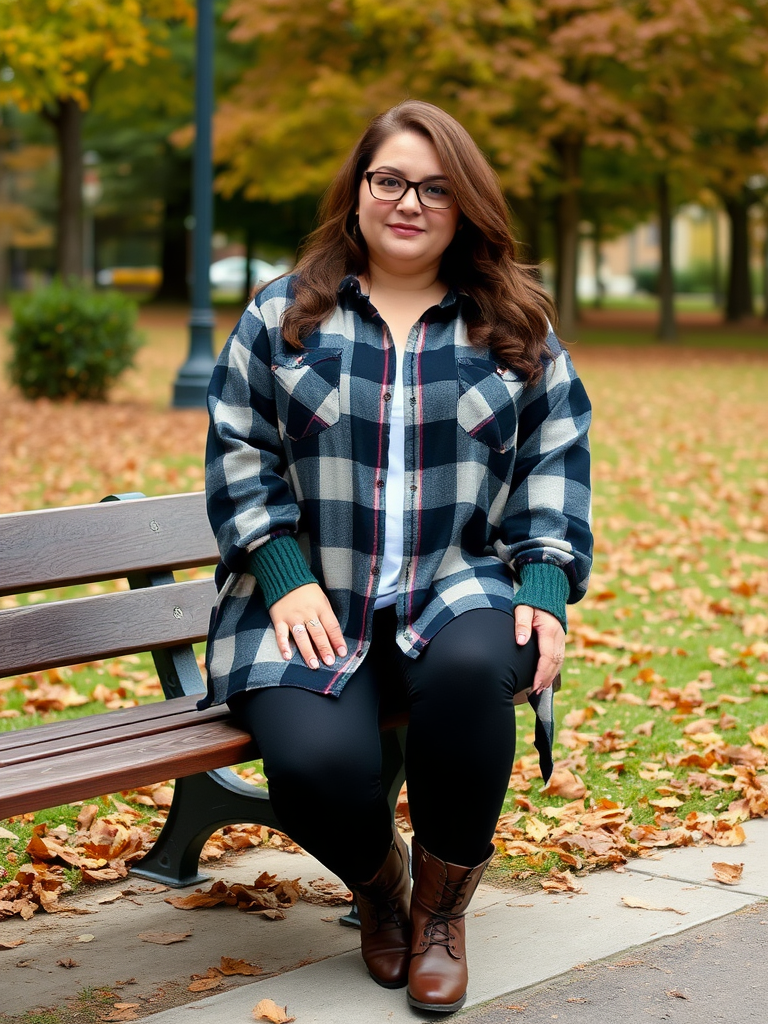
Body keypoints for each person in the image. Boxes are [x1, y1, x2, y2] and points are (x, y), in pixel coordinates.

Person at [201, 99, 592, 1014]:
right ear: (359, 189)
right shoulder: (284, 317)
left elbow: (554, 466)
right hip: (309, 599)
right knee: (314, 768)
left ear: (466, 206)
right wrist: (282, 575)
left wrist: (543, 580)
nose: (409, 202)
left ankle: (442, 916)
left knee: (470, 673)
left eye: (435, 187)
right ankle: (383, 888)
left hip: (454, 590)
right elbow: (238, 454)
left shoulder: (513, 329)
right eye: (390, 180)